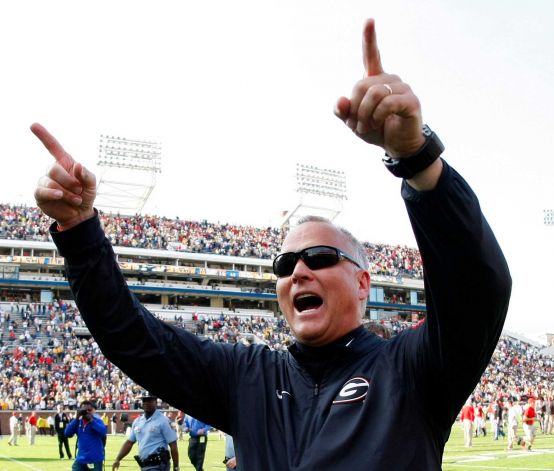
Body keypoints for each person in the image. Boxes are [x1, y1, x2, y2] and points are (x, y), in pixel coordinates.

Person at [31, 18, 511, 470]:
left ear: (364, 283)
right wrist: (80, 233)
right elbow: (132, 338)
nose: (298, 271)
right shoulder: (248, 378)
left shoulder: (412, 369)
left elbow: (476, 286)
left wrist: (416, 158)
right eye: (284, 263)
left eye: (320, 258)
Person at [112, 394, 179, 471]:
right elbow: (129, 442)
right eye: (144, 401)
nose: (147, 403)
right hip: (144, 465)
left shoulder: (164, 420)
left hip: (159, 465)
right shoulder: (137, 421)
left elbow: (173, 445)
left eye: (150, 401)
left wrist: (176, 467)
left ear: (156, 402)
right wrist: (118, 459)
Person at [65, 400, 107, 471]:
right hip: (81, 459)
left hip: (95, 459)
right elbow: (67, 433)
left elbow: (103, 432)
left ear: (93, 411)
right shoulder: (78, 422)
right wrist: (76, 418)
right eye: (84, 410)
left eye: (89, 410)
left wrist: (91, 421)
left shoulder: (97, 421)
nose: (87, 412)